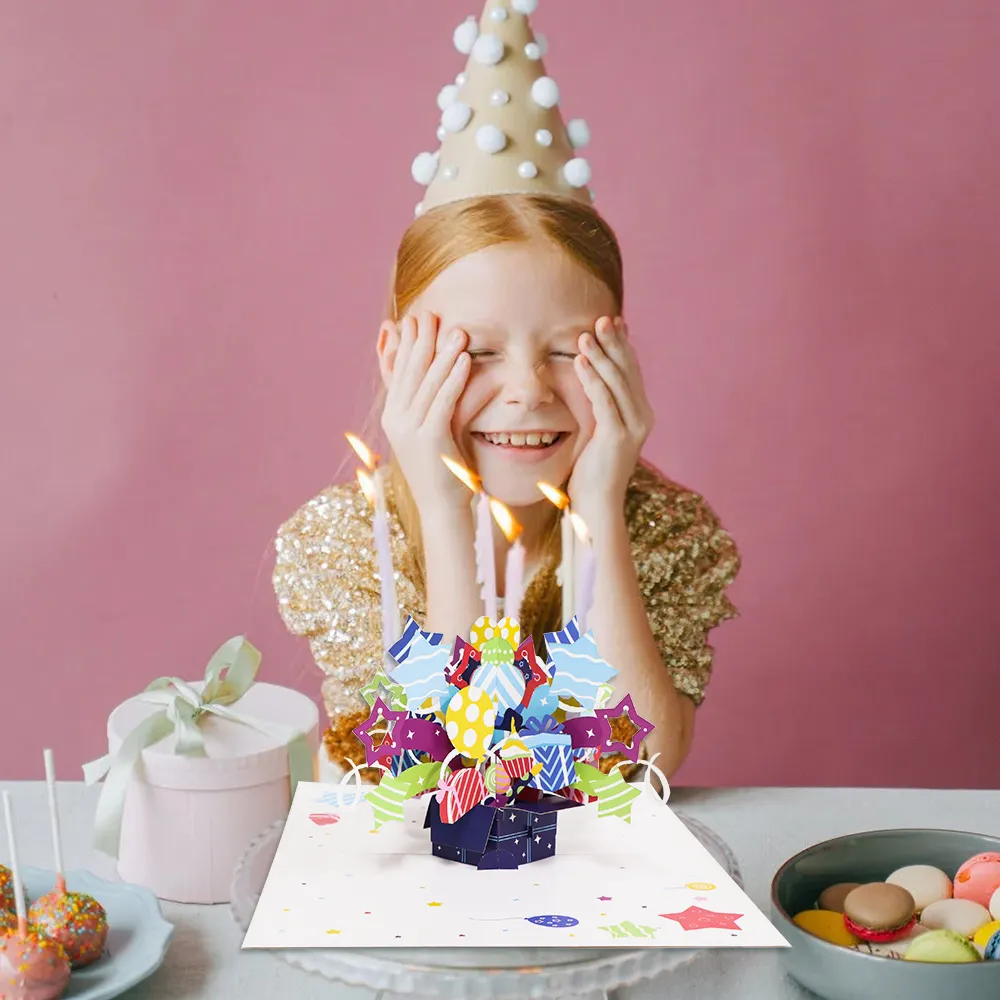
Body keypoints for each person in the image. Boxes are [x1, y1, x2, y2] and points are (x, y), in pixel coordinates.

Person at [272, 1, 740, 782]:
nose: (527, 390)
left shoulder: (664, 528)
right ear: (396, 358)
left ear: (619, 352)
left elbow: (642, 758)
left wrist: (598, 509)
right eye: (480, 350)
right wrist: (446, 511)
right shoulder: (353, 539)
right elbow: (421, 770)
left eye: (567, 350)